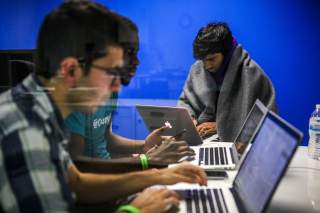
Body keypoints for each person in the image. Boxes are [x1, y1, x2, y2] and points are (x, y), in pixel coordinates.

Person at [0, 1, 207, 212]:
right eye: (111, 72)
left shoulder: (43, 113)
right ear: (71, 71)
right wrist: (134, 211)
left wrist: (157, 175)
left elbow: (77, 183)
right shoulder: (26, 128)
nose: (118, 84)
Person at [65, 14, 194, 165]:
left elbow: (106, 139)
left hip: (108, 175)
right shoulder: (77, 94)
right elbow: (79, 167)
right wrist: (146, 161)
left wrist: (145, 145)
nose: (137, 61)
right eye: (130, 53)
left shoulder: (111, 89)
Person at [177, 22, 277, 141]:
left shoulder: (252, 73)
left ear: (227, 52)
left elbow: (266, 120)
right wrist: (189, 119)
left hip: (237, 144)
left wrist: (220, 127)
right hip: (202, 139)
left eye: (211, 59)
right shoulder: (198, 68)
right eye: (203, 60)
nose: (207, 65)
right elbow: (185, 101)